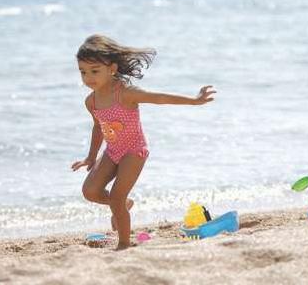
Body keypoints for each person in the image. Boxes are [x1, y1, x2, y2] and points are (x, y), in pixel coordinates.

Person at [70, 34, 216, 250]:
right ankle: (122, 206)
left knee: (118, 196)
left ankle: (123, 244)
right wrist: (91, 157)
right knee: (90, 191)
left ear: (111, 68)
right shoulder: (91, 101)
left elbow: (160, 98)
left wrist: (194, 101)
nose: (88, 77)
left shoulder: (125, 93)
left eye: (94, 71)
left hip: (133, 151)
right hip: (112, 150)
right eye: (83, 72)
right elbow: (98, 127)